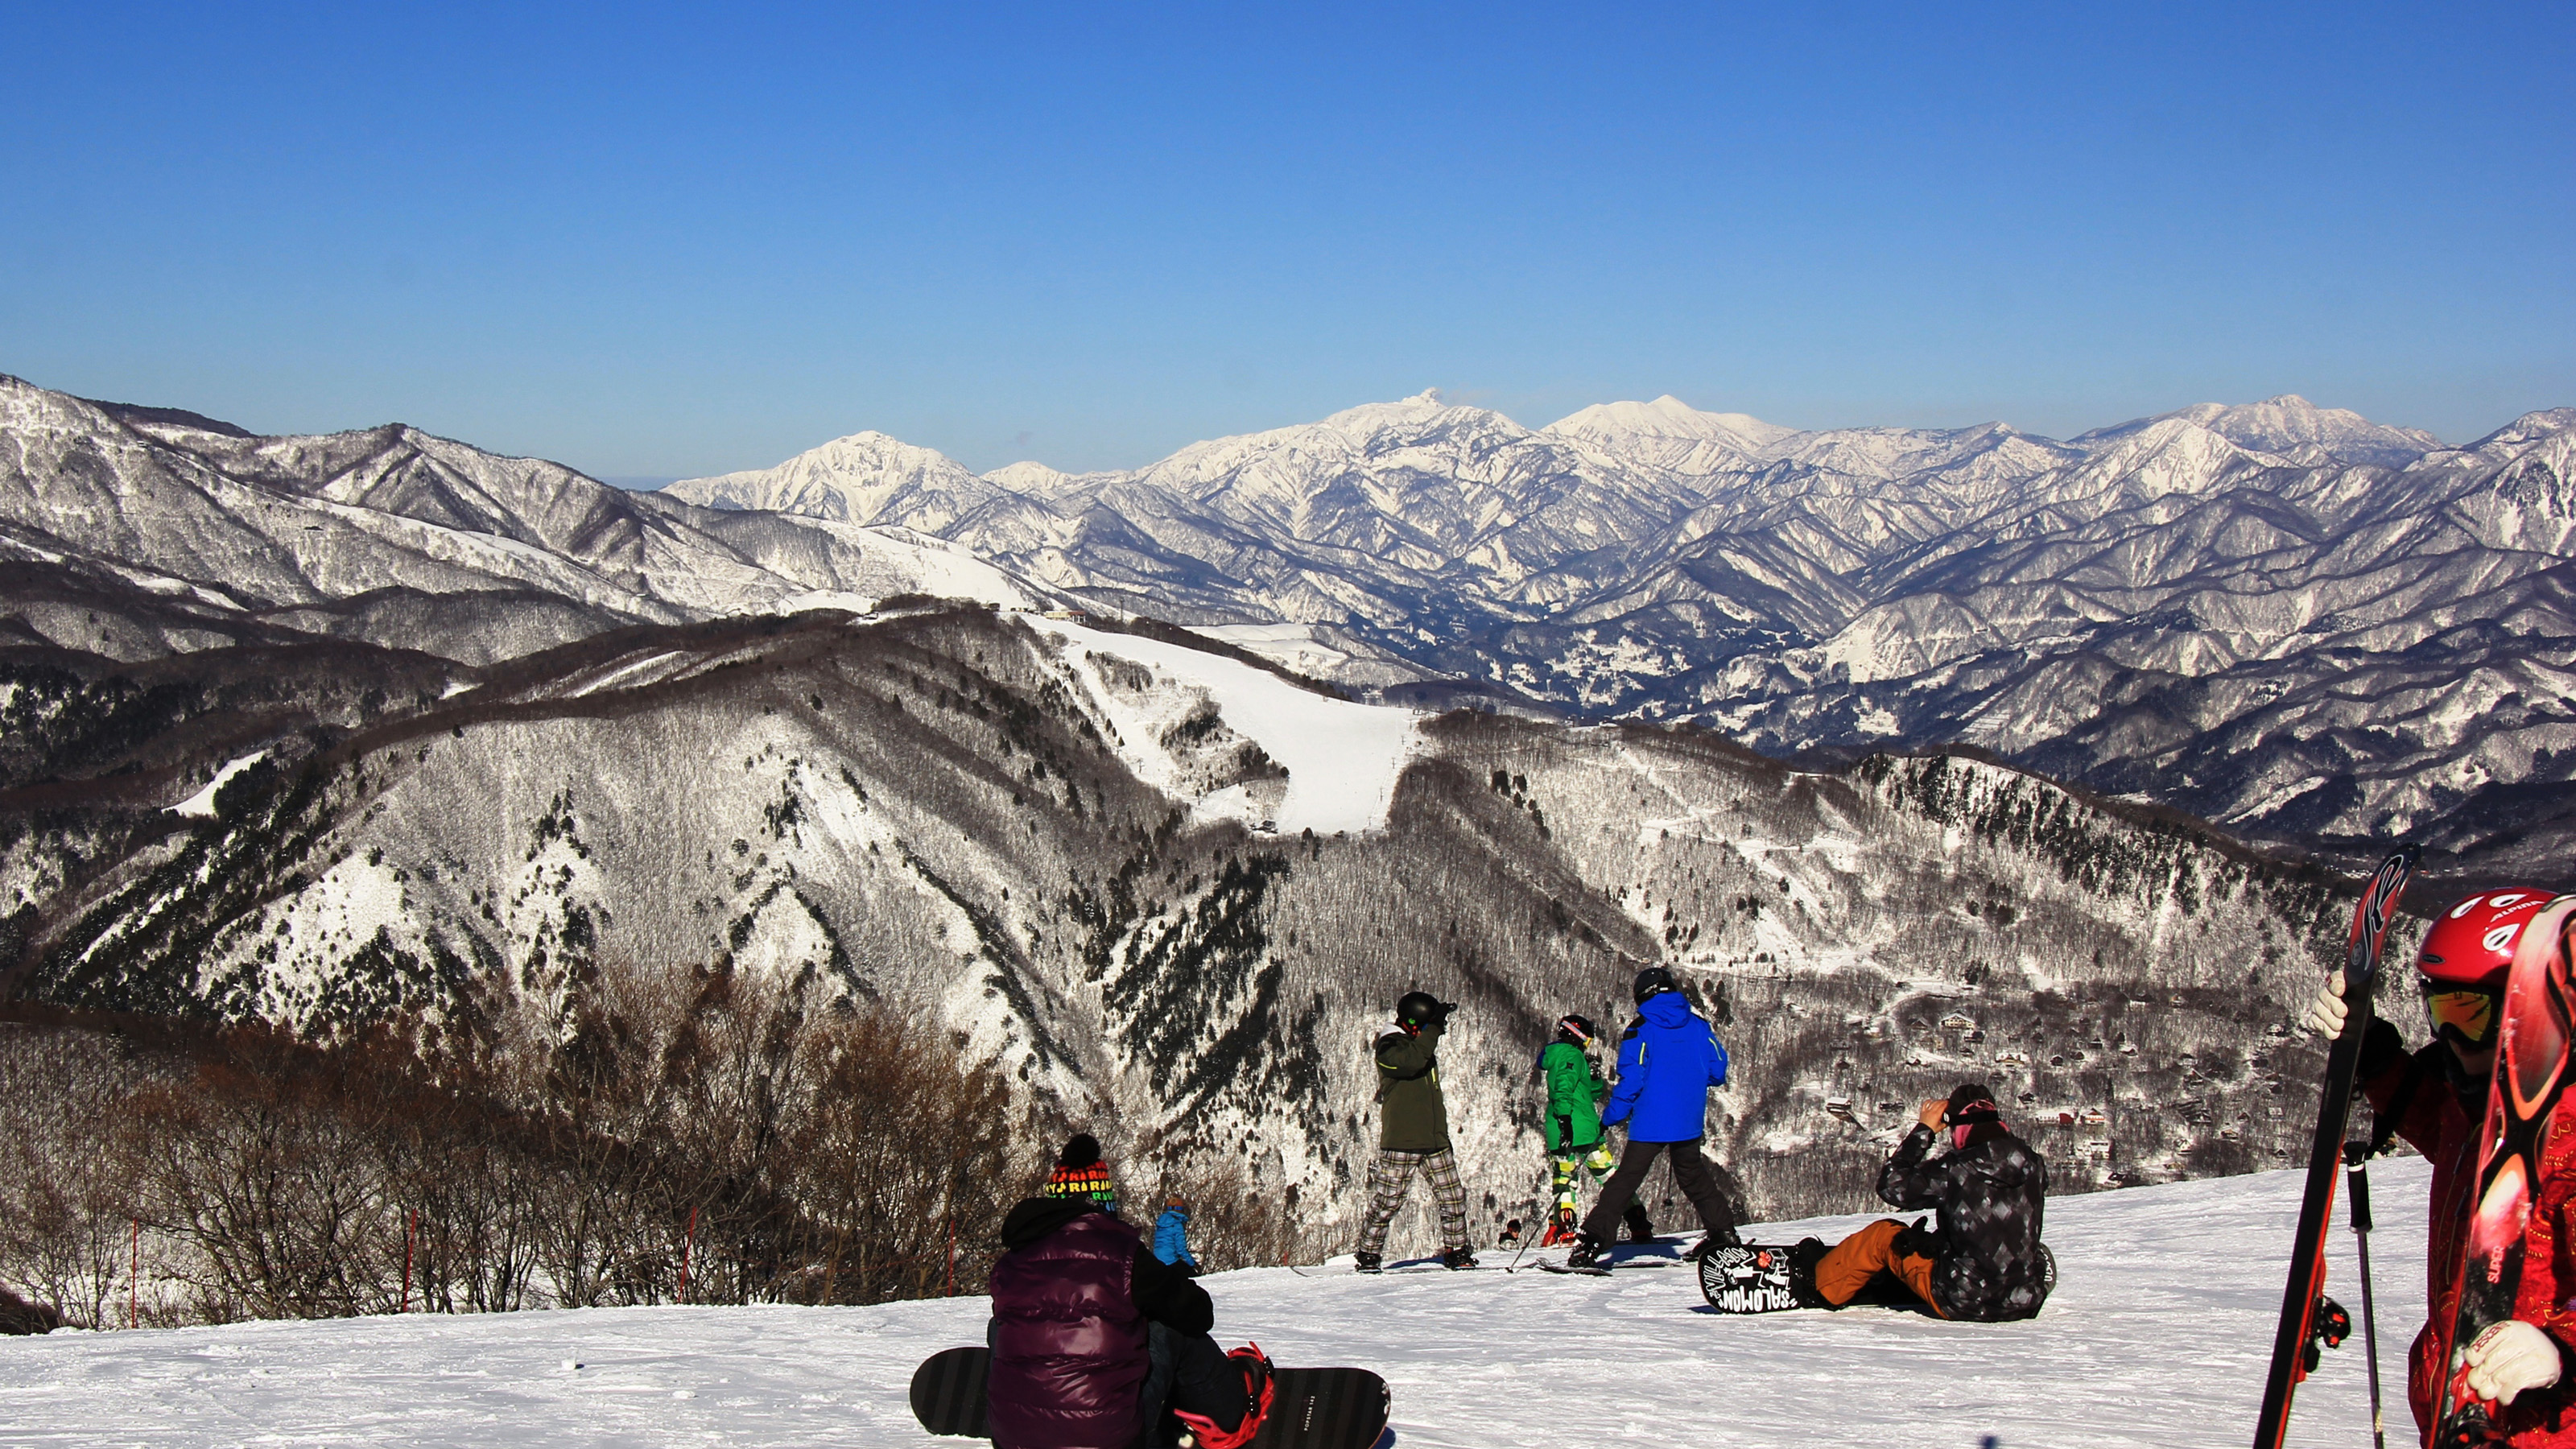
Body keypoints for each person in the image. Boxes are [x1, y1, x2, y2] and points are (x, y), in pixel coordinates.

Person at [2306, 888, 2576, 1443]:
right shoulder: (2478, 1111)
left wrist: (2564, 1355)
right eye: (2440, 1013)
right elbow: (2438, 1126)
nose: (2450, 1041)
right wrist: (2372, 1053)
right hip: (2460, 1418)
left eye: (2469, 1015)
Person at [989, 1134, 1269, 1449]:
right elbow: (1198, 1313)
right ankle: (1230, 1410)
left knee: (1003, 1325)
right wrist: (1166, 1285)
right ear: (1103, 1200)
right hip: (1107, 1440)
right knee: (1170, 1326)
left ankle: (1026, 1404)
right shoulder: (1123, 1258)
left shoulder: (1010, 1264)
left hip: (1010, 1439)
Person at [1783, 1083, 2050, 1320]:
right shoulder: (2034, 1165)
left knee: (1883, 1235)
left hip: (1962, 1301)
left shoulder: (1956, 1170)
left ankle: (1820, 1285)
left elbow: (1892, 1186)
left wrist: (1925, 1130)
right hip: (2024, 1301)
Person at [1569, 967, 1741, 1269]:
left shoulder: (1641, 1029)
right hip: (1689, 1119)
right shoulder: (1699, 1025)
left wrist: (1609, 1117)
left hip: (1651, 1121)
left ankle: (1593, 1240)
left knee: (1625, 1180)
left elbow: (1632, 1081)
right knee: (1693, 1175)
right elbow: (1717, 1071)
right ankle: (1723, 1232)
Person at [1354, 990, 1477, 1272]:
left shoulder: (1414, 1045)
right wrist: (1433, 1028)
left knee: (1453, 1198)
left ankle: (1457, 1251)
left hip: (1434, 1139)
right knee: (1389, 1201)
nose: (1429, 1032)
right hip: (1402, 1141)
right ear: (1412, 1023)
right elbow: (1413, 1061)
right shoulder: (1389, 1048)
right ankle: (1368, 1253)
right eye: (1424, 1025)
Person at [1534, 1013, 1617, 1245]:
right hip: (1580, 1129)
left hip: (1557, 1130)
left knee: (1564, 1178)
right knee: (1609, 1175)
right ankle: (1635, 1217)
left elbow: (1588, 1093)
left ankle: (1565, 1225)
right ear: (1578, 1036)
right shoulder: (1572, 1055)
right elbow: (1565, 1089)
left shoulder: (1558, 1056)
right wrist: (1566, 1119)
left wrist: (1594, 1081)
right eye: (1587, 1040)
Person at [1152, 1195, 1200, 1274]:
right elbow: (1180, 1249)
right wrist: (1193, 1264)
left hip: (1157, 1258)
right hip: (1170, 1260)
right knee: (1193, 1277)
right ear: (1180, 1209)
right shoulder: (1177, 1224)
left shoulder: (1160, 1222)